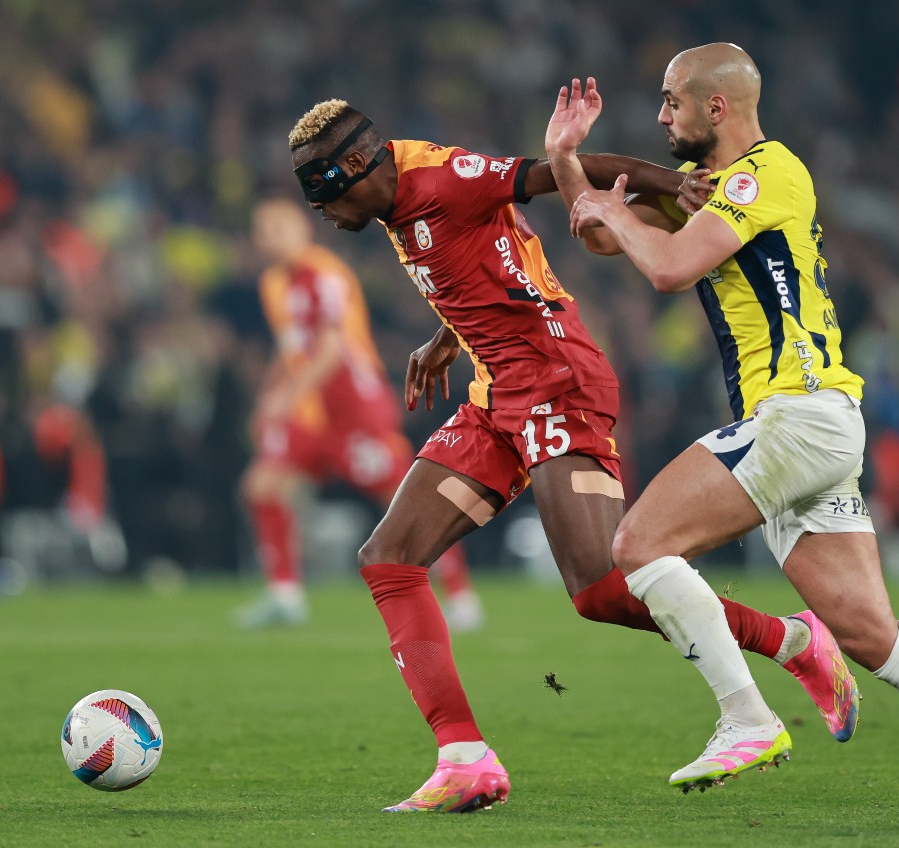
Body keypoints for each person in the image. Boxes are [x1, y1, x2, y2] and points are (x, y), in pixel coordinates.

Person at [547, 45, 899, 821]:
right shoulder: (715, 191)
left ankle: (746, 717)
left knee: (636, 547)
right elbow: (604, 235)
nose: (662, 116)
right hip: (818, 425)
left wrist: (612, 210)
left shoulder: (765, 174)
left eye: (672, 102)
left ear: (717, 108)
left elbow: (664, 268)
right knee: (870, 633)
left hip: (796, 415)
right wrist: (566, 161)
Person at [286, 97, 860, 812]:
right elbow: (495, 246)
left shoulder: (444, 176)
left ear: (354, 168)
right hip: (498, 397)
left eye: (318, 187)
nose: (316, 208)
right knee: (389, 558)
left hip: (558, 382)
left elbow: (559, 174)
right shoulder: (400, 195)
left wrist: (665, 182)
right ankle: (464, 758)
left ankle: (791, 641)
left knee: (599, 588)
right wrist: (448, 333)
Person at [236, 198, 482, 631]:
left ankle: (461, 596)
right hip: (313, 414)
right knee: (263, 485)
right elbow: (294, 349)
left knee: (407, 501)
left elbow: (331, 350)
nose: (269, 237)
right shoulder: (273, 283)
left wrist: (284, 399)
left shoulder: (324, 274)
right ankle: (285, 595)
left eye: (278, 226)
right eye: (262, 229)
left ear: (302, 230)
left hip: (355, 411)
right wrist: (270, 397)